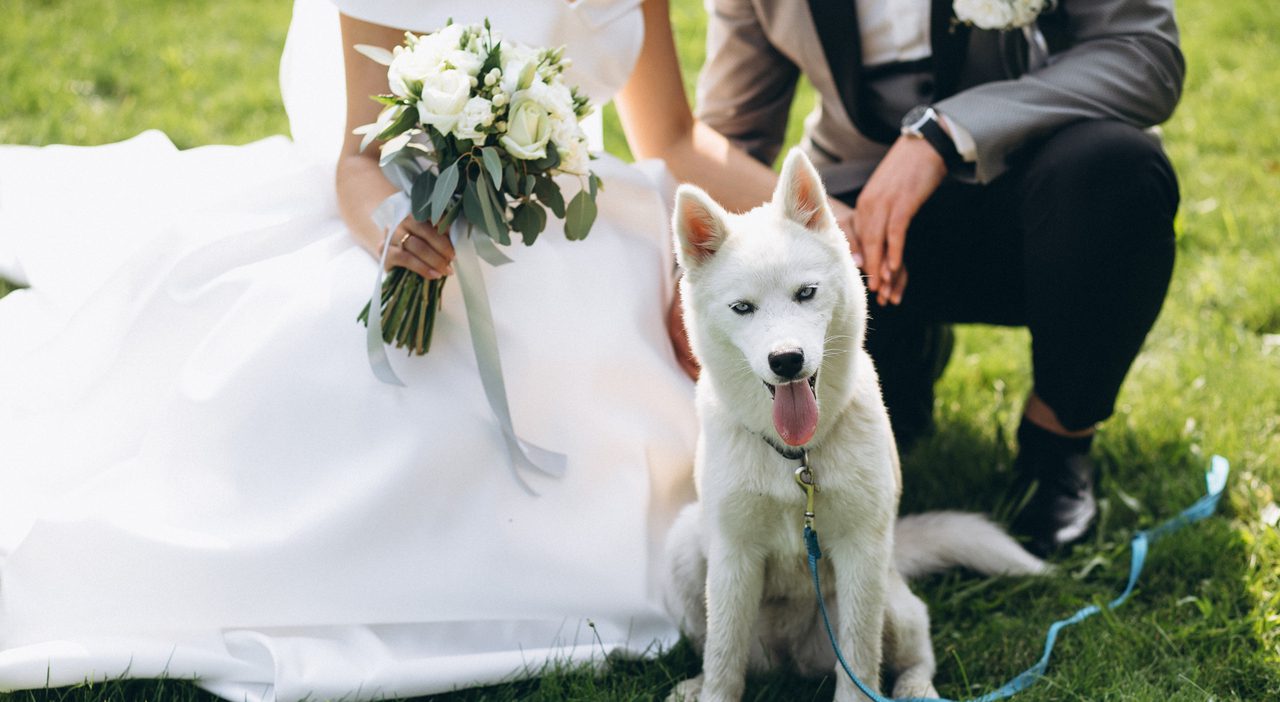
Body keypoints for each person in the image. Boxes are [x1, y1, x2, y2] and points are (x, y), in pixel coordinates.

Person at [0, 1, 789, 699]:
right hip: (415, 224)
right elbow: (356, 158)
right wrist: (396, 238)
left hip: (581, 231)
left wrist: (805, 219)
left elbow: (676, 140)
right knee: (358, 396)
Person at [693, 0, 1183, 555]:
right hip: (862, 220)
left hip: (1038, 189)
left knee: (1120, 173)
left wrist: (948, 133)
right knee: (861, 412)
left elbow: (1146, 54)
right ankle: (911, 348)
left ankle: (1057, 443)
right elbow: (732, 135)